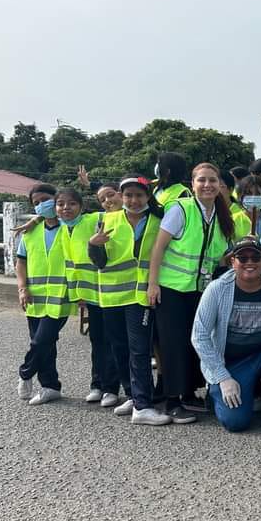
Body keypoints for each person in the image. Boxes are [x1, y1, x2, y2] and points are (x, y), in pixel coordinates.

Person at [147, 162, 236, 423]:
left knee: (193, 342)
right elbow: (158, 248)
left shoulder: (221, 215)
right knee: (172, 344)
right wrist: (153, 284)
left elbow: (219, 256)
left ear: (220, 185)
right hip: (172, 288)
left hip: (201, 291)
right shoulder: (181, 209)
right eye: (202, 180)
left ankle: (187, 393)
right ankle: (172, 400)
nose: (207, 185)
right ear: (192, 184)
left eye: (213, 180)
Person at [192, 237, 261, 433]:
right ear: (232, 262)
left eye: (255, 257)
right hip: (230, 363)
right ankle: (217, 391)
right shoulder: (216, 289)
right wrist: (222, 377)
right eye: (243, 258)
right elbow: (199, 336)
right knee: (235, 423)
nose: (249, 262)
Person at [89, 175, 166, 425]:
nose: (134, 200)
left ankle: (143, 405)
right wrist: (93, 244)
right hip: (112, 294)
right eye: (128, 195)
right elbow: (99, 262)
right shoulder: (107, 220)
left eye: (139, 195)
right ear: (121, 197)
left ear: (148, 197)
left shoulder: (159, 221)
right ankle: (133, 395)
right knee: (119, 347)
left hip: (141, 294)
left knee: (139, 349)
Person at [56, 187, 121, 407]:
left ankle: (111, 388)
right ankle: (97, 384)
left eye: (72, 204)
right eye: (61, 204)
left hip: (108, 292)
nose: (66, 208)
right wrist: (78, 295)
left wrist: (108, 195)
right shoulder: (63, 228)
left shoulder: (94, 219)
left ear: (82, 206)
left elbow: (115, 212)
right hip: (90, 296)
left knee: (111, 341)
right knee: (97, 341)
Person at [14, 183, 73, 406]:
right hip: (34, 297)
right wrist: (22, 289)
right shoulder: (30, 232)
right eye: (36, 203)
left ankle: (25, 373)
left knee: (42, 340)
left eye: (45, 200)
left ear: (56, 199)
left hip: (61, 296)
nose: (41, 205)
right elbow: (21, 262)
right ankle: (50, 386)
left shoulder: (70, 226)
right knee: (43, 342)